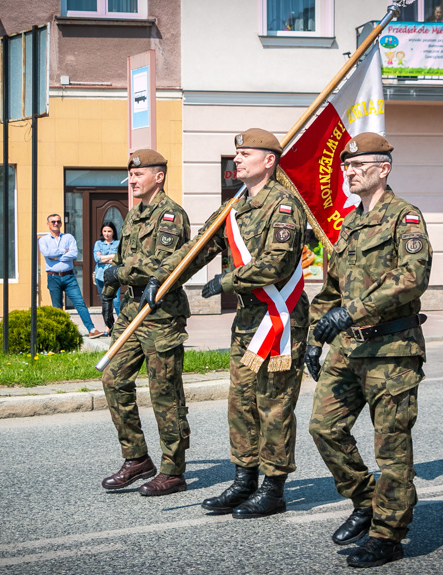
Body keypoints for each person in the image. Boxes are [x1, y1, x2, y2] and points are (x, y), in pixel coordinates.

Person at [149, 128, 309, 519]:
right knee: (241, 404)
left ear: (269, 161)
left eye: (245, 154)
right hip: (248, 320)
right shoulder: (234, 208)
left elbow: (278, 264)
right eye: (236, 154)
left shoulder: (285, 206)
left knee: (273, 405)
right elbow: (198, 247)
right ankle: (244, 480)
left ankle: (273, 488)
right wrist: (161, 276)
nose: (236, 159)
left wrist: (228, 281)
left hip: (280, 316)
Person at [305, 133, 432, 568]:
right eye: (346, 166)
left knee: (391, 448)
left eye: (359, 165)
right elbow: (330, 289)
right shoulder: (350, 224)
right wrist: (314, 337)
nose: (350, 171)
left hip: (391, 351)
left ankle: (387, 534)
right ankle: (365, 500)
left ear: (384, 169)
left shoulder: (405, 218)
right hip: (347, 350)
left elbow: (412, 277)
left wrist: (353, 312)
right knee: (324, 428)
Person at [99, 149, 192, 497]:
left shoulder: (171, 216)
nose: (132, 180)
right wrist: (109, 291)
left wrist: (115, 272)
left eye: (139, 175)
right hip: (129, 312)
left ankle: (173, 469)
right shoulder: (134, 215)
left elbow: (158, 263)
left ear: (159, 176)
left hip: (161, 316)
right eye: (131, 176)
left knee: (164, 393)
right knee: (113, 377)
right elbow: (125, 259)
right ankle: (136, 457)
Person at [38, 214, 101, 339]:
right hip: (53, 277)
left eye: (58, 221)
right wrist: (63, 251)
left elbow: (73, 254)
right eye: (53, 222)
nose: (56, 223)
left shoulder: (68, 237)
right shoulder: (43, 240)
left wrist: (56, 257)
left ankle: (92, 329)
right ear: (48, 224)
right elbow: (46, 253)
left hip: (69, 277)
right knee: (57, 306)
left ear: (61, 223)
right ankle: (60, 334)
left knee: (80, 303)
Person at [93, 221, 121, 336]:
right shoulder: (98, 244)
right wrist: (111, 257)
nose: (107, 234)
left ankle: (121, 324)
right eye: (104, 231)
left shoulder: (118, 243)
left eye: (109, 231)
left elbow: (119, 258)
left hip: (114, 276)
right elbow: (97, 258)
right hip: (100, 276)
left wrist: (104, 257)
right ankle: (108, 326)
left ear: (113, 232)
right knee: (105, 303)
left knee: (116, 301)